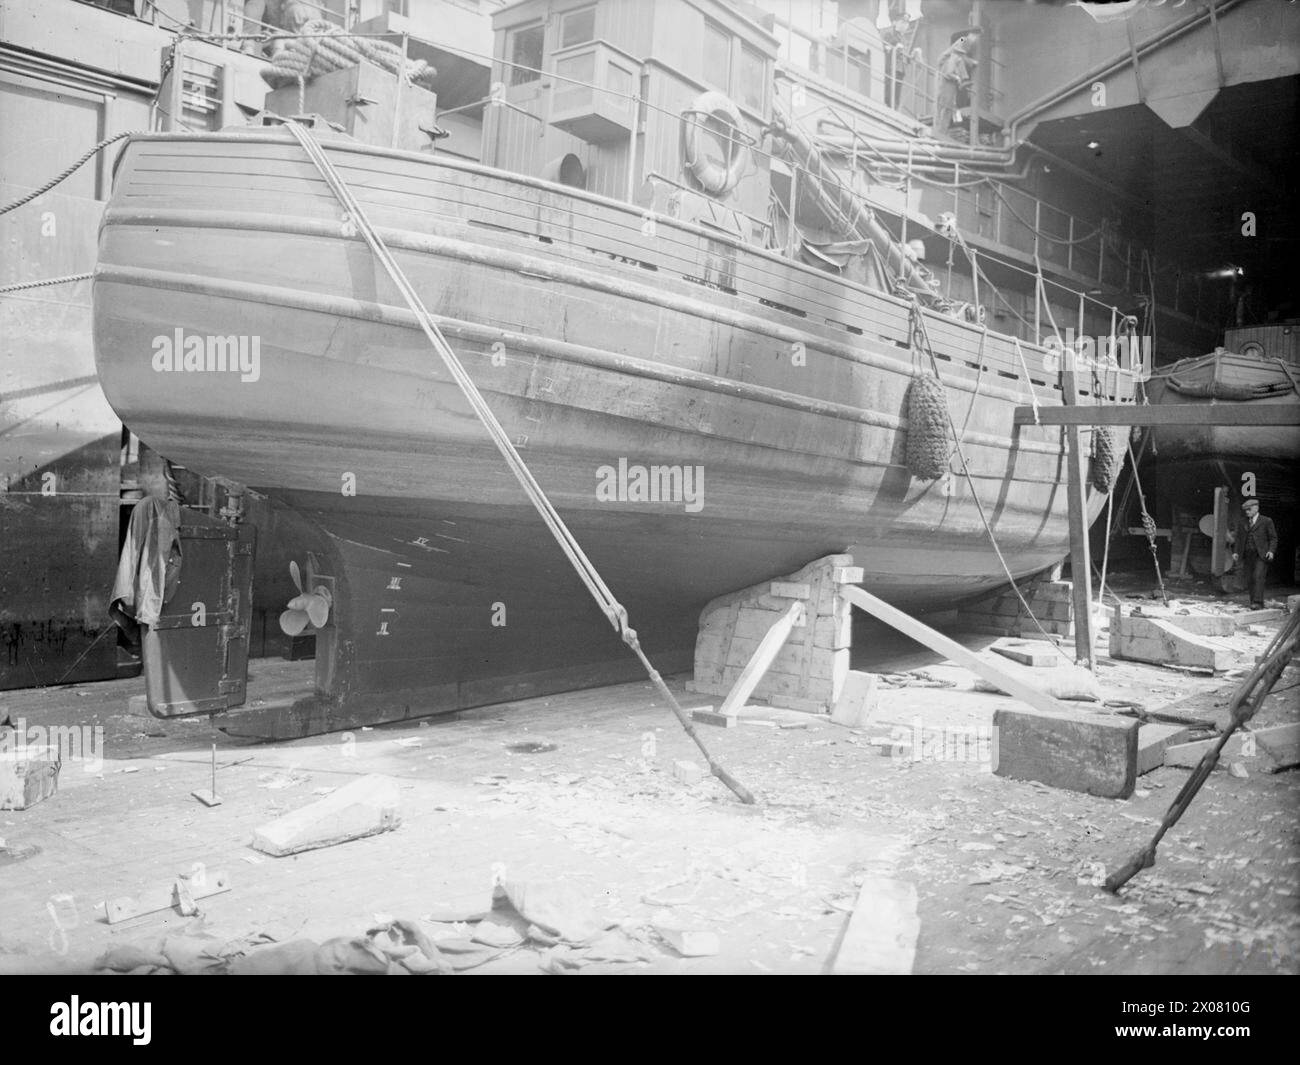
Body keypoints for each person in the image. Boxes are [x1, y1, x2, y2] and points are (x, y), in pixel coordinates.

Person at [934, 28, 980, 140]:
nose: (976, 39)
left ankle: (963, 80)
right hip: (946, 62)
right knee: (946, 107)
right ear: (972, 34)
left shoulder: (964, 43)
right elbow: (958, 55)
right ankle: (941, 133)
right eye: (975, 36)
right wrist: (972, 63)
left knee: (951, 107)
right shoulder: (963, 40)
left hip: (951, 64)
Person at [1231, 497, 1277, 609]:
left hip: (1261, 554)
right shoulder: (1243, 521)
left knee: (1258, 576)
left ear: (1256, 508)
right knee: (1250, 578)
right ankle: (1253, 602)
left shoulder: (1266, 521)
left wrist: (1271, 551)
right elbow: (1239, 538)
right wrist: (1236, 551)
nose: (1247, 512)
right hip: (1247, 554)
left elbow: (1273, 538)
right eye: (1245, 510)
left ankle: (1258, 602)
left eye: (1249, 509)